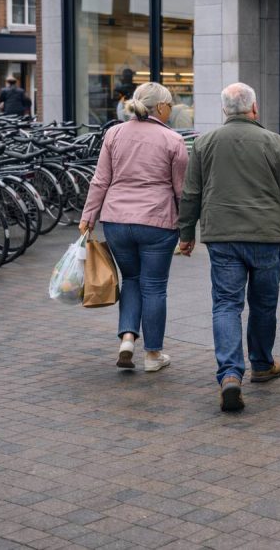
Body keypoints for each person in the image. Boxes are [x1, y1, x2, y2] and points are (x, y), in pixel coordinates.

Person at [179, 83, 280, 412]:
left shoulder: (204, 143)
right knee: (263, 305)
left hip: (222, 236)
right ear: (254, 109)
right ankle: (263, 364)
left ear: (225, 110)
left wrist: (186, 233)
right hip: (266, 235)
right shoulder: (275, 143)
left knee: (226, 304)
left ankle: (229, 375)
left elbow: (191, 192)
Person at [79, 82, 189, 373]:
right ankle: (152, 355)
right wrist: (188, 230)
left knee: (131, 280)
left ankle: (127, 338)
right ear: (162, 107)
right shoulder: (172, 139)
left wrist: (88, 217)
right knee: (154, 287)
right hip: (157, 222)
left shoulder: (113, 133)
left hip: (116, 221)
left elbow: (100, 179)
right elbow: (181, 191)